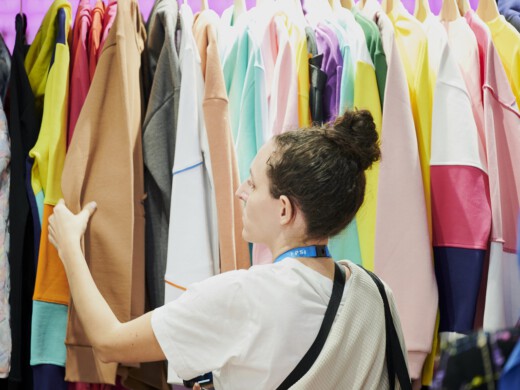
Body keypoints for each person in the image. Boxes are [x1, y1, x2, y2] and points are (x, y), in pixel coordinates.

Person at [49, 109, 409, 389]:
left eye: (253, 184)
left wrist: (69, 246)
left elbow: (110, 342)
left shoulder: (243, 297)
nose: (239, 191)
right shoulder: (376, 292)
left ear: (284, 209)